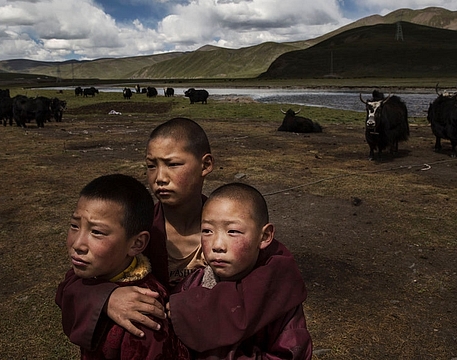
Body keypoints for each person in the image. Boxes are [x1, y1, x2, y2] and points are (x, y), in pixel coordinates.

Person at [56, 118, 307, 353]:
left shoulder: (237, 231)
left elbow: (277, 283)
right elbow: (73, 281)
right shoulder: (139, 231)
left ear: (205, 165)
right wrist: (107, 298)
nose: (159, 178)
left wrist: (186, 311)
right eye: (151, 166)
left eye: (173, 164)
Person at [169, 182, 312, 359]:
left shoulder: (279, 293)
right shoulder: (193, 286)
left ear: (265, 236)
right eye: (207, 231)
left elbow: (291, 353)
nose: (217, 245)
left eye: (233, 231)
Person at [55, 174, 189, 359]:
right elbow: (67, 288)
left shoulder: (142, 316)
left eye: (97, 232)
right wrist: (105, 298)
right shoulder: (99, 272)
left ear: (137, 244)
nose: (78, 244)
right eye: (74, 226)